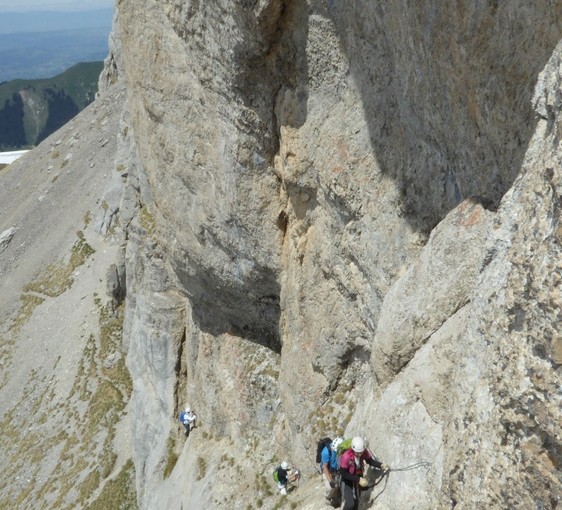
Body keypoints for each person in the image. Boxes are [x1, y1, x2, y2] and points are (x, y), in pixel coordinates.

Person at [339, 436, 389, 510]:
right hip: (347, 480)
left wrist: (381, 465)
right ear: (353, 450)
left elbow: (370, 461)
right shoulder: (346, 457)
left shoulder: (364, 452)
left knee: (356, 503)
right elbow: (344, 474)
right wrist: (358, 479)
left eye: (361, 452)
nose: (360, 454)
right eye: (357, 453)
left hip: (357, 479)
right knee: (350, 504)